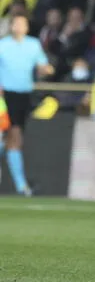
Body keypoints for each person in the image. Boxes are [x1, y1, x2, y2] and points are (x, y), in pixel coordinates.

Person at [0, 15, 53, 196]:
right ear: (11, 26)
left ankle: (21, 186)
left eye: (22, 23)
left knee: (12, 138)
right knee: (14, 136)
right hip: (4, 95)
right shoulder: (3, 44)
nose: (19, 26)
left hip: (24, 94)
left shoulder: (33, 45)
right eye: (16, 23)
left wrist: (47, 69)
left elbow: (43, 65)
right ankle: (22, 186)